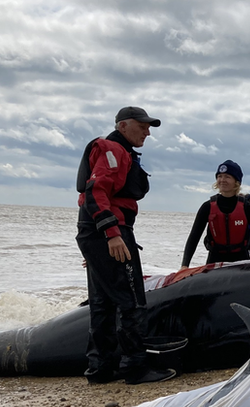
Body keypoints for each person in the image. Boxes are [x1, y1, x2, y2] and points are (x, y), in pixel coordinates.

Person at [75, 106, 176, 386]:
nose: (147, 132)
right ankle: (135, 368)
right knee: (131, 302)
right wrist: (111, 235)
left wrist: (97, 246)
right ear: (122, 126)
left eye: (149, 127)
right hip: (109, 231)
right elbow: (96, 191)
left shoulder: (119, 152)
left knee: (102, 303)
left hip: (94, 233)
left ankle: (100, 369)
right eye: (142, 126)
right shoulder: (113, 151)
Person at [180, 160, 250, 269]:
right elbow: (194, 237)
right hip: (215, 261)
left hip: (241, 262)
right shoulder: (207, 207)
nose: (222, 180)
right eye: (219, 176)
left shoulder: (247, 208)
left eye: (227, 177)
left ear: (236, 182)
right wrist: (184, 265)